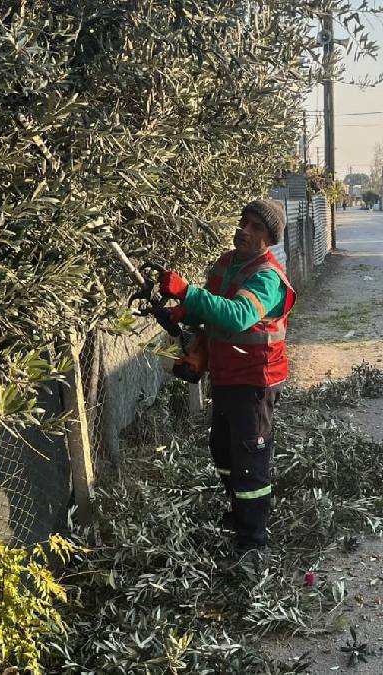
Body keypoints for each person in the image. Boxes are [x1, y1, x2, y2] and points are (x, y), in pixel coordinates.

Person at [156, 199, 294, 556]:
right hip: (226, 377)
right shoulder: (225, 264)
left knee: (250, 462)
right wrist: (180, 313)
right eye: (243, 222)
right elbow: (209, 311)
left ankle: (253, 542)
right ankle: (238, 513)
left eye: (256, 228)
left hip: (256, 382)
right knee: (222, 451)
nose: (244, 230)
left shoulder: (268, 277)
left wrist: (187, 292)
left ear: (269, 239)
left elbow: (236, 316)